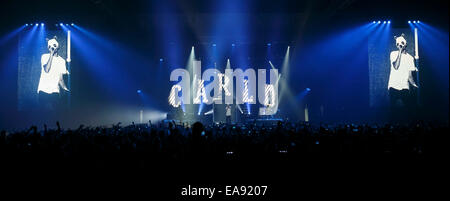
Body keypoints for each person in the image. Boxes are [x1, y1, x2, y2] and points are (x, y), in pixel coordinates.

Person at [388, 33, 418, 119]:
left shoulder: (410, 58)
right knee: (392, 110)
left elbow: (410, 76)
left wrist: (414, 85)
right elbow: (396, 66)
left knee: (409, 110)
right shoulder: (393, 54)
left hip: (404, 86)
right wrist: (400, 52)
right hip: (393, 85)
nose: (399, 45)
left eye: (401, 43)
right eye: (397, 44)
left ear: (405, 44)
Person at [37, 36, 69, 110]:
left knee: (56, 113)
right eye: (50, 46)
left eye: (54, 45)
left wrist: (65, 89)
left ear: (57, 47)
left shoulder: (62, 61)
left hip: (55, 90)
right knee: (43, 114)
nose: (52, 48)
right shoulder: (44, 57)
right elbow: (47, 70)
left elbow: (60, 79)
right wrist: (51, 55)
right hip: (43, 90)